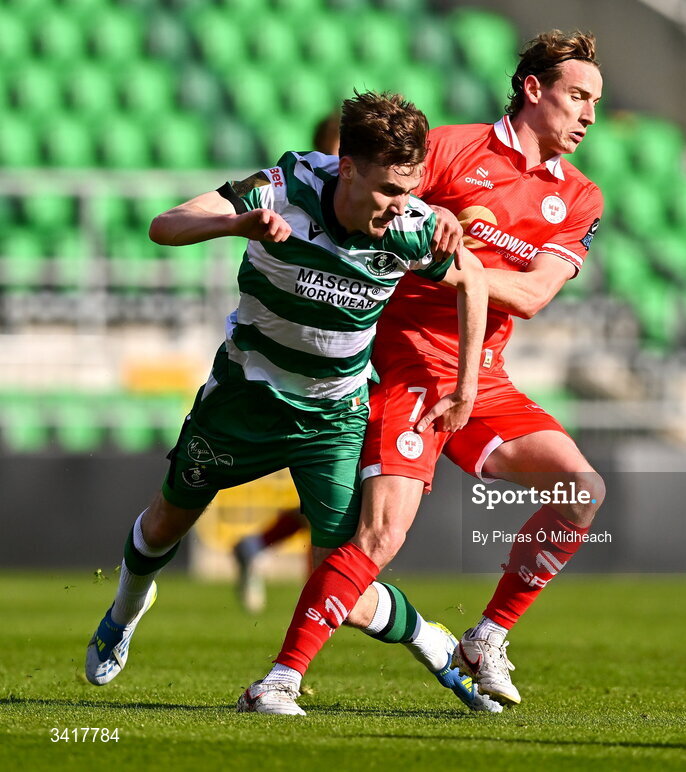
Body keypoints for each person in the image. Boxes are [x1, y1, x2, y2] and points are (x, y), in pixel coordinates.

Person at [84, 91, 492, 713]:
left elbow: (475, 281)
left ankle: (432, 642)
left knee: (341, 584)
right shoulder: (281, 188)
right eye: (386, 188)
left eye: (408, 189)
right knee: (166, 521)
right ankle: (125, 611)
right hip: (245, 396)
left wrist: (465, 388)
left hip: (331, 417)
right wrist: (234, 224)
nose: (397, 206)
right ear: (346, 167)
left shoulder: (411, 226)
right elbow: (163, 225)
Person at [241, 30, 605, 714]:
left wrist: (447, 255)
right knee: (376, 540)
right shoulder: (446, 148)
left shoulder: (580, 198)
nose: (588, 115)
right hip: (401, 363)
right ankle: (280, 680)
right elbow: (359, 207)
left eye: (594, 102)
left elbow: (532, 295)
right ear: (533, 90)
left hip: (480, 374)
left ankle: (485, 639)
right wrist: (421, 215)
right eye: (577, 96)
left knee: (580, 488)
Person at [231, 110, 339, 615]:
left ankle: (255, 547)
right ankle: (304, 635)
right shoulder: (298, 204)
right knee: (328, 507)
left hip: (346, 367)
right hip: (301, 372)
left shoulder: (382, 215)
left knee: (332, 504)